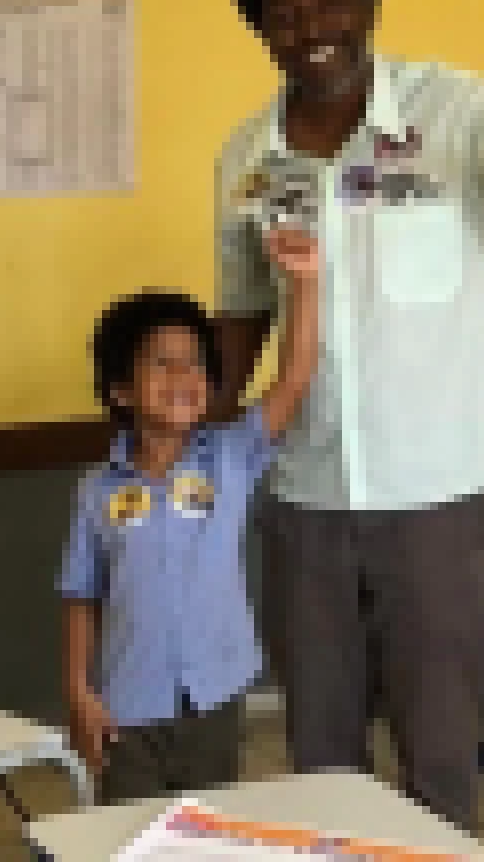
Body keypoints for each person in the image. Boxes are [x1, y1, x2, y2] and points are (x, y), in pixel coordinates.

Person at [214, 0, 484, 834]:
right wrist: (204, 435)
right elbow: (243, 303)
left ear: (370, 5)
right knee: (319, 751)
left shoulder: (456, 114)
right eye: (286, 12)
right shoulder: (248, 155)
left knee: (437, 749)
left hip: (437, 489)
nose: (313, 29)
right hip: (303, 491)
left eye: (332, 2)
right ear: (261, 29)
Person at [58, 226, 319, 805]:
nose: (186, 378)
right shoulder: (96, 492)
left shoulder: (230, 456)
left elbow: (294, 377)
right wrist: (79, 691)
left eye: (196, 364)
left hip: (215, 697)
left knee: (206, 834)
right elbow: (81, 597)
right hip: (128, 705)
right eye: (163, 364)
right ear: (121, 390)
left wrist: (304, 285)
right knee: (131, 834)